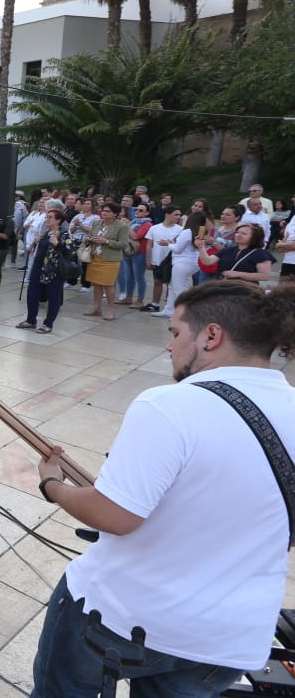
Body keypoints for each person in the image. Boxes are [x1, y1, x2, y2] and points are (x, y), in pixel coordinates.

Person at [31, 281, 295, 697]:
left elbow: (114, 515)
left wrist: (52, 485)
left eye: (175, 333)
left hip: (121, 620)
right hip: (229, 641)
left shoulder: (169, 405)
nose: (168, 347)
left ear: (211, 335)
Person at [18, 208, 75, 334]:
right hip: (38, 268)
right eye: (46, 217)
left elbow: (70, 252)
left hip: (54, 270)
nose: (47, 219)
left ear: (58, 220)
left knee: (53, 298)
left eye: (50, 217)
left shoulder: (64, 234)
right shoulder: (45, 233)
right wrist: (34, 242)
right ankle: (31, 320)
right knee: (32, 294)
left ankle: (48, 324)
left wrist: (57, 244)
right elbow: (35, 251)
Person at [82, 204, 129, 320]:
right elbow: (89, 236)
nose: (104, 213)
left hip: (110, 259)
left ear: (115, 214)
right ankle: (96, 308)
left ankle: (110, 310)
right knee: (96, 283)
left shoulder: (121, 226)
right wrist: (89, 239)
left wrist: (106, 241)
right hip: (95, 256)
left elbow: (123, 244)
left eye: (108, 211)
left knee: (108, 285)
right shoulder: (97, 223)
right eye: (103, 210)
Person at [195, 223, 275, 283]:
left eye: (244, 234)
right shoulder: (227, 250)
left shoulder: (260, 253)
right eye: (237, 232)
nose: (238, 235)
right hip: (222, 288)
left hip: (245, 291)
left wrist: (238, 274)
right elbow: (207, 261)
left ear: (254, 237)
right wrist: (201, 247)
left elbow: (265, 276)